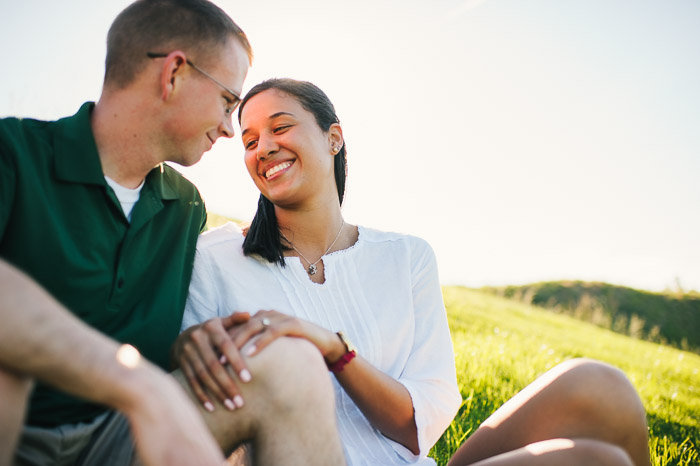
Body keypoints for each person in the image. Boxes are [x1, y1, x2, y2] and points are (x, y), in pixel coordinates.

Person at [176, 78, 652, 466]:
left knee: (600, 385)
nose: (264, 148)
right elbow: (195, 410)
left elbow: (415, 427)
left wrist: (334, 350)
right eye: (250, 141)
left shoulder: (406, 258)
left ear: (333, 138)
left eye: (281, 128)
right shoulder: (214, 258)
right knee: (595, 462)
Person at [0, 2, 345, 465]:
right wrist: (139, 384)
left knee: (292, 366)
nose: (228, 128)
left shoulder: (183, 208)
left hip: (122, 438)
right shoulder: (13, 153)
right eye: (227, 101)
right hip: (16, 429)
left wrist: (189, 346)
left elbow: (158, 335)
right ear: (175, 73)